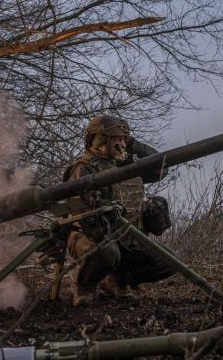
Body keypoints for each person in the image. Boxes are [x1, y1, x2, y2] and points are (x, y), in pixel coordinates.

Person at [62, 115, 175, 306]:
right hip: (90, 237)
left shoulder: (128, 165)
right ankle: (85, 287)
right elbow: (86, 218)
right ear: (98, 141)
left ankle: (117, 281)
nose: (121, 145)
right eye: (115, 139)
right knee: (107, 252)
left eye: (123, 140)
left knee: (169, 260)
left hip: (128, 237)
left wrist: (132, 142)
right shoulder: (84, 169)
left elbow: (161, 168)